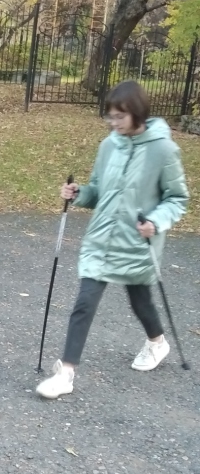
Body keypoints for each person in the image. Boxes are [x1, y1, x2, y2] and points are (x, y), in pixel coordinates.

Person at [37, 80, 189, 400]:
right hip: (101, 238)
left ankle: (157, 342)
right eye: (111, 116)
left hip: (136, 242)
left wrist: (156, 221)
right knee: (85, 302)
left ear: (137, 113)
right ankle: (66, 373)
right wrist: (78, 193)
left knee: (140, 302)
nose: (114, 122)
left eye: (120, 117)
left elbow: (177, 198)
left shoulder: (163, 150)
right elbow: (97, 190)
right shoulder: (109, 146)